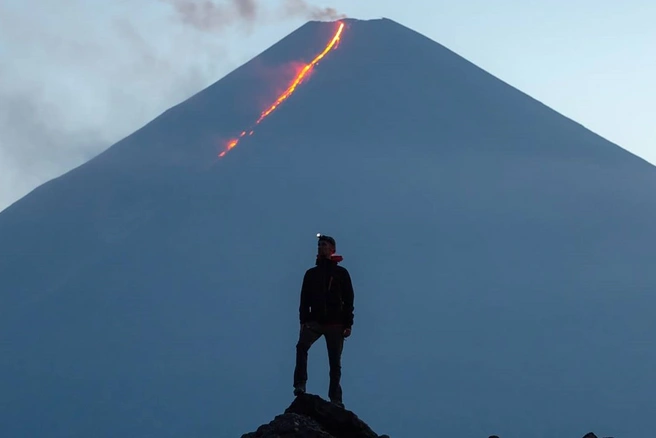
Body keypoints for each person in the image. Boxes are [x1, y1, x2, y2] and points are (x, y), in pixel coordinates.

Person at [293, 234, 355, 408]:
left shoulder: (341, 273)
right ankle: (300, 384)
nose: (320, 247)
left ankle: (336, 399)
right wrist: (303, 321)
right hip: (315, 321)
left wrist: (348, 323)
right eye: (319, 244)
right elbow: (304, 299)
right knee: (301, 346)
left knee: (334, 362)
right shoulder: (311, 274)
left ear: (332, 249)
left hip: (336, 322)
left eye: (324, 244)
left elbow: (349, 298)